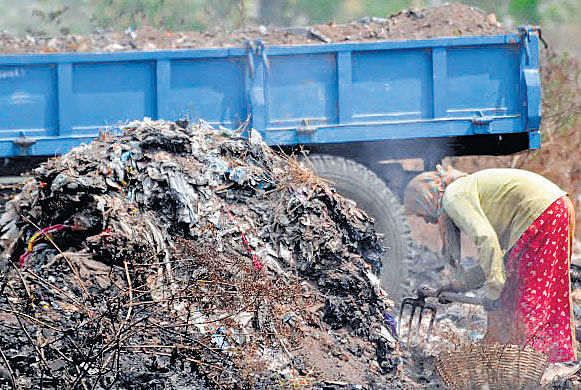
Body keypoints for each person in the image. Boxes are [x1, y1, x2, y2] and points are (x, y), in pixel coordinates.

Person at [404, 166, 577, 370]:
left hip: (543, 212)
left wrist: (494, 293)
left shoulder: (453, 196)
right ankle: (546, 360)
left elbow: (487, 241)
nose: (427, 220)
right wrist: (458, 285)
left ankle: (528, 366)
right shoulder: (465, 192)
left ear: (426, 197)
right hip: (557, 207)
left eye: (421, 212)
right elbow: (500, 259)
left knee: (524, 297)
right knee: (542, 293)